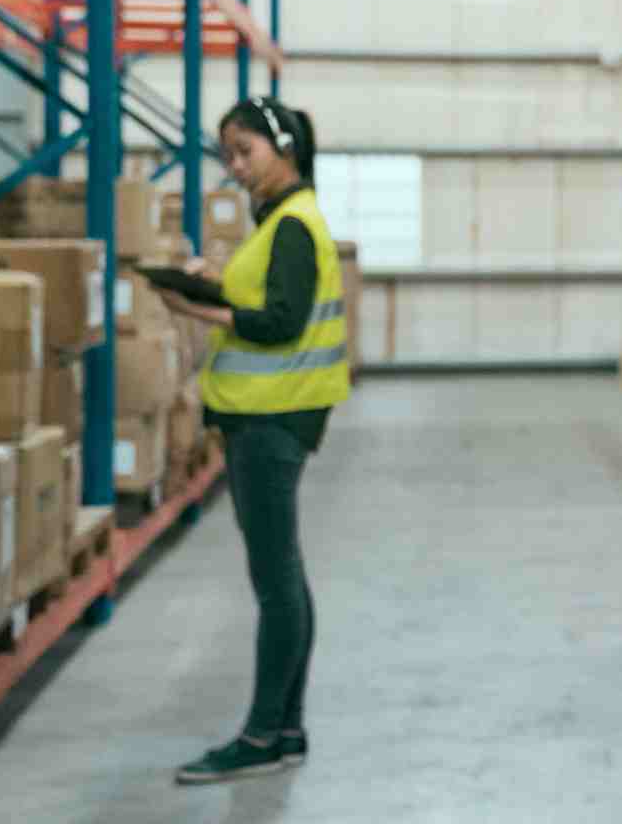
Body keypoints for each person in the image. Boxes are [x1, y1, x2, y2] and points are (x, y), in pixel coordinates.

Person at [153, 96, 350, 784]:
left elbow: (279, 324)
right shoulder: (281, 221)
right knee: (285, 577)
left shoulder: (293, 223)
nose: (235, 168)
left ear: (283, 146)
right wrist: (214, 283)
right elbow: (268, 303)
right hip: (269, 415)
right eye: (228, 155)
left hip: (272, 419)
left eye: (245, 152)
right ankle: (286, 729)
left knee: (275, 584)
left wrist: (195, 303)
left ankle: (262, 735)